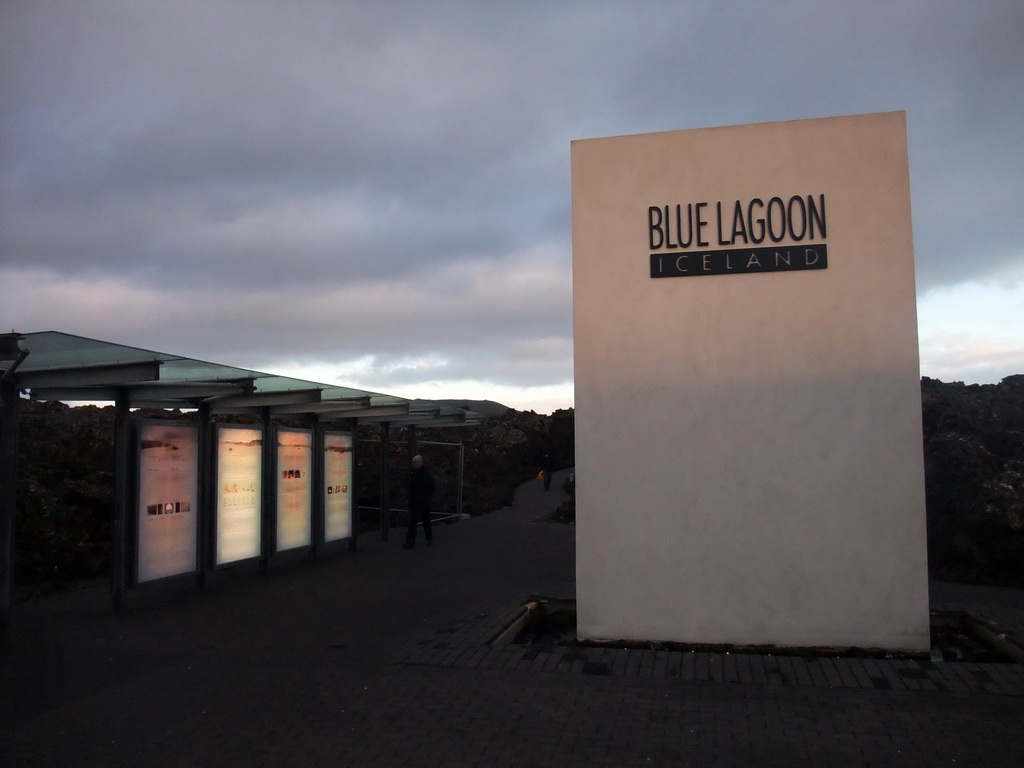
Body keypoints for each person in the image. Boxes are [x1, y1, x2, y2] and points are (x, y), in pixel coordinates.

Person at [403, 454, 436, 548]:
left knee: (426, 521)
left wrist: (426, 497)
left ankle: (429, 537)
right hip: (414, 502)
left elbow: (432, 487)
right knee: (412, 522)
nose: (412, 464)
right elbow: (407, 485)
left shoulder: (426, 474)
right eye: (412, 462)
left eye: (414, 462)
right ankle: (410, 542)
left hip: (423, 502)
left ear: (420, 463)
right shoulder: (411, 473)